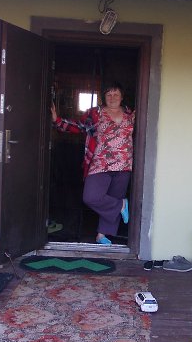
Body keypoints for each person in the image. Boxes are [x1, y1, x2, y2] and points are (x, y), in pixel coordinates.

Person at [51, 82, 134, 245]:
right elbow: (78, 127)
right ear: (104, 97)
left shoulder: (130, 114)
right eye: (109, 94)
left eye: (116, 94)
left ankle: (102, 235)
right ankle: (121, 206)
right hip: (100, 164)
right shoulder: (95, 114)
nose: (112, 97)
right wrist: (57, 121)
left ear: (122, 97)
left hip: (124, 165)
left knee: (114, 197)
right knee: (91, 197)